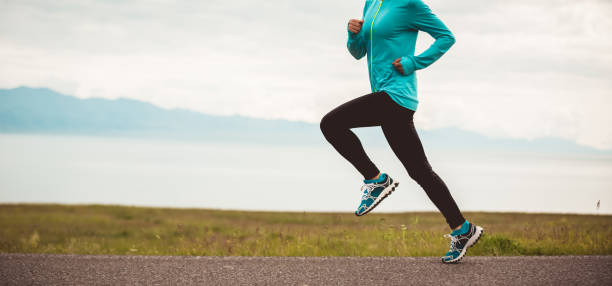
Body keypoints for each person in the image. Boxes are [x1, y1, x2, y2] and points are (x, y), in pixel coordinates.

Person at [319, 0, 483, 263]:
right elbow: (359, 52)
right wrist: (352, 35)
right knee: (420, 172)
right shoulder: (371, 4)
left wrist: (413, 62)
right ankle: (462, 229)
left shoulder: (410, 4)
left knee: (331, 124)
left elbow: (446, 37)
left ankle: (375, 181)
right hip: (386, 97)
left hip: (395, 96)